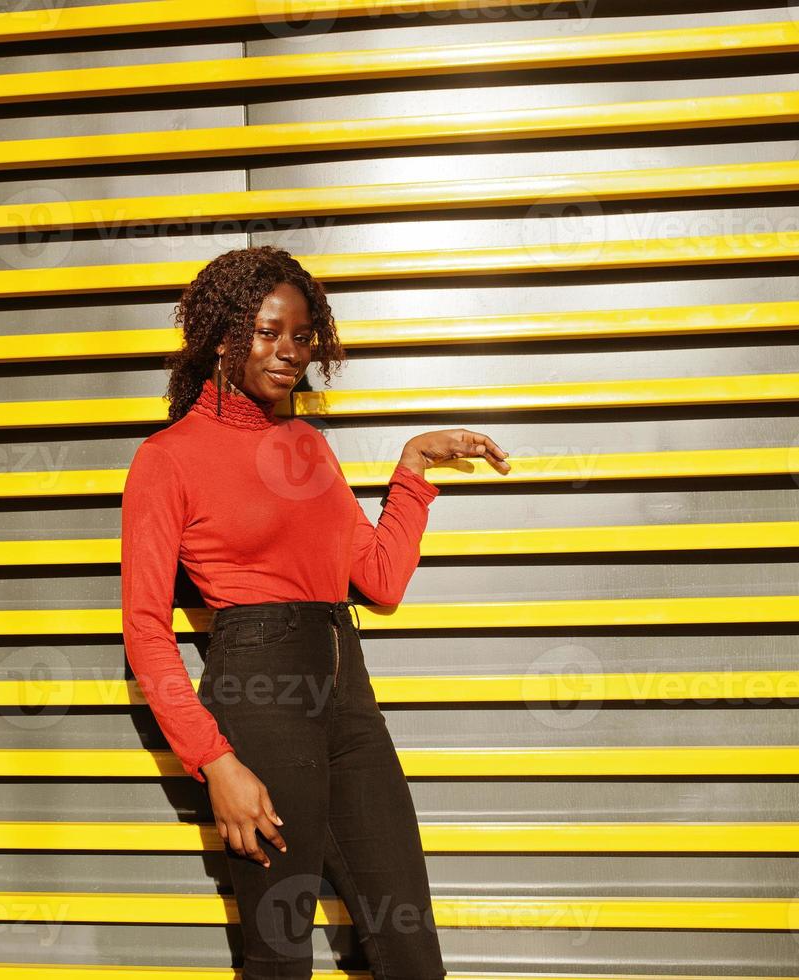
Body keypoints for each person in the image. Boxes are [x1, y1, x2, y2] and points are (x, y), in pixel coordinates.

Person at [120, 245, 511, 979]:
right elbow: (144, 629)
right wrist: (214, 761)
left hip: (348, 703)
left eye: (301, 336)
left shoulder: (307, 448)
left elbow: (379, 579)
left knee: (409, 945)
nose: (288, 352)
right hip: (258, 704)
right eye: (268, 333)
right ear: (222, 336)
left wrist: (413, 469)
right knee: (279, 956)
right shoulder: (167, 459)